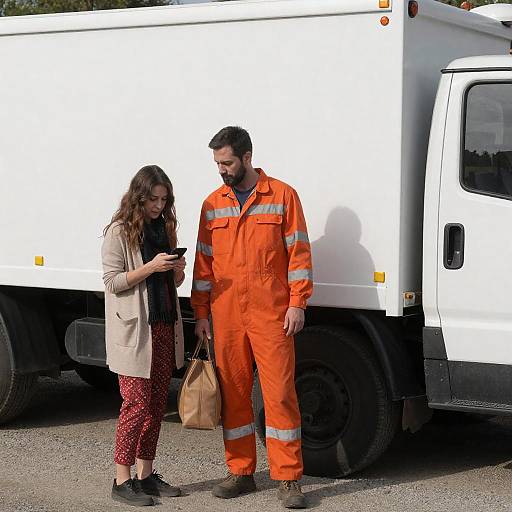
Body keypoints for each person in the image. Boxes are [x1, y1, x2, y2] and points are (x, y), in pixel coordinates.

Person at [191, 127, 313, 509]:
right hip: (226, 315)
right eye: (217, 164)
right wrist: (200, 314)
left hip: (271, 314)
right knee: (233, 396)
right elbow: (203, 264)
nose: (221, 170)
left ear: (247, 157)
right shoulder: (213, 204)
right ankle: (240, 471)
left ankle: (288, 478)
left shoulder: (282, 196)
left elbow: (299, 254)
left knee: (279, 395)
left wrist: (297, 303)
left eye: (226, 162)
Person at [102, 164, 186, 507]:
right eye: (153, 198)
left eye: (164, 199)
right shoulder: (119, 231)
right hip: (135, 330)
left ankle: (145, 474)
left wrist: (176, 272)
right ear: (139, 195)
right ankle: (121, 480)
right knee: (135, 403)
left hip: (163, 323)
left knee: (155, 404)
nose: (158, 206)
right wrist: (151, 267)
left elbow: (172, 284)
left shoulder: (163, 228)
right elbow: (111, 282)